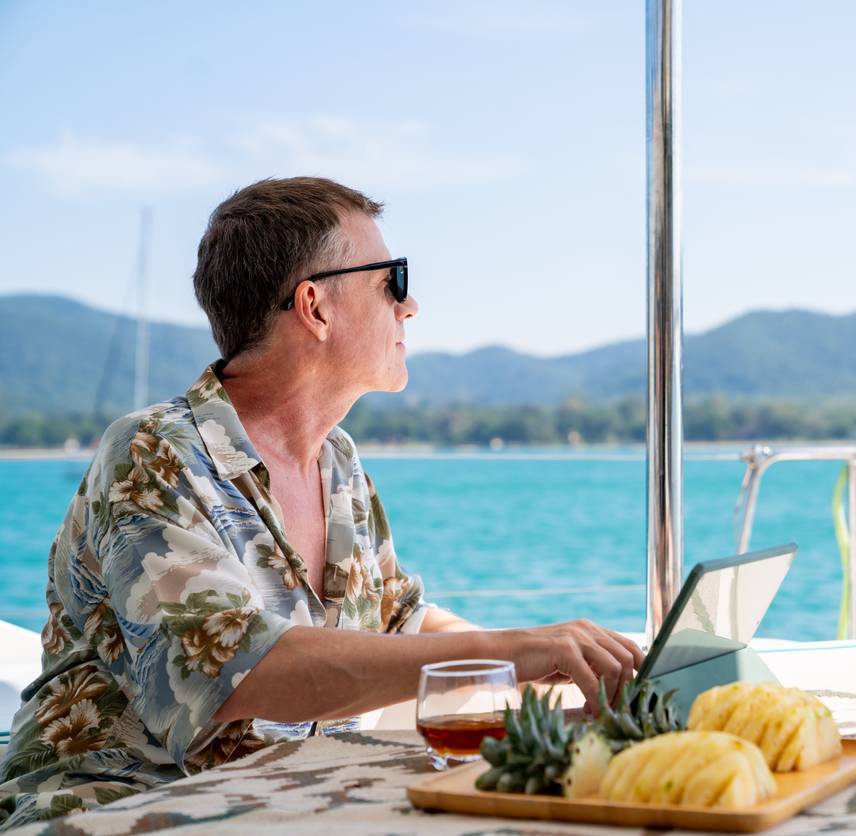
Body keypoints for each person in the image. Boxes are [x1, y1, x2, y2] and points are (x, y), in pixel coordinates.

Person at [0, 177, 642, 829]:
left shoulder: (338, 466)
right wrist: (519, 650)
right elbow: (238, 670)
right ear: (315, 306)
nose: (411, 304)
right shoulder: (154, 453)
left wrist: (565, 679)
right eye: (392, 279)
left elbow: (402, 623)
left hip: (270, 807)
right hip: (110, 809)